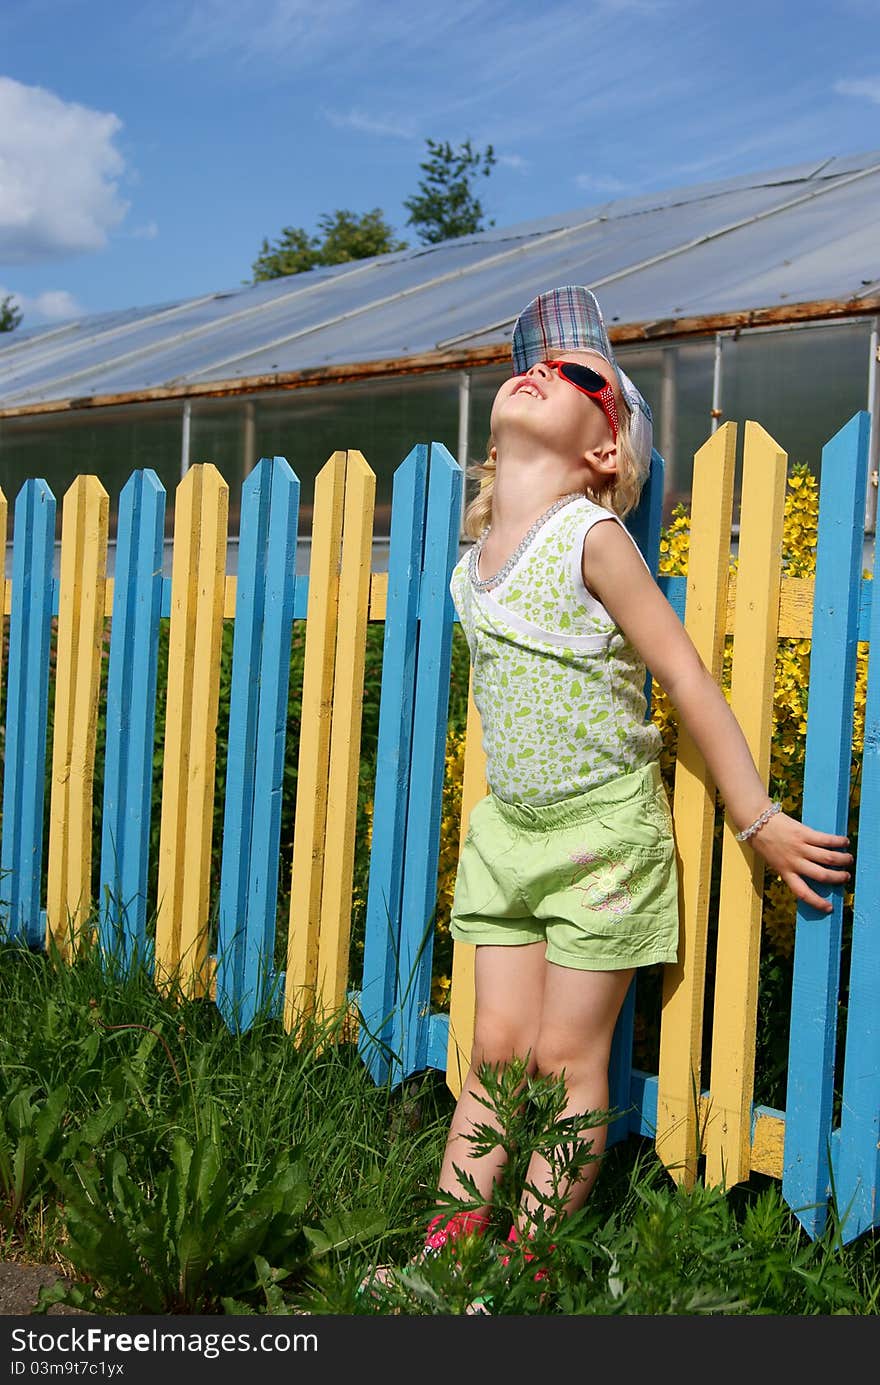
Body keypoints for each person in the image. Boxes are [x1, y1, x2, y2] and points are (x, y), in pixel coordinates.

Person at [374, 285, 853, 1297]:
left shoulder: (591, 537)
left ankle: (524, 1259)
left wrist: (755, 817)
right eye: (533, 362)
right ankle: (447, 1246)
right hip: (508, 835)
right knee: (493, 1050)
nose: (544, 369)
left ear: (604, 448)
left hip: (599, 835)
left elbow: (682, 676)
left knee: (562, 1055)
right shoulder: (470, 570)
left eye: (579, 373)